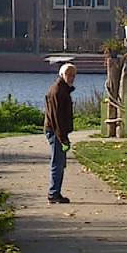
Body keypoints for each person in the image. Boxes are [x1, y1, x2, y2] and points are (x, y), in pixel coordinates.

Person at [43, 63, 76, 204]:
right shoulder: (57, 91)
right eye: (69, 75)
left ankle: (55, 192)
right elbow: (56, 117)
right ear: (62, 75)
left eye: (74, 76)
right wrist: (62, 138)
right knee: (57, 162)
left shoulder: (63, 89)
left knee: (60, 163)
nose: (72, 78)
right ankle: (53, 194)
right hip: (55, 131)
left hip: (58, 131)